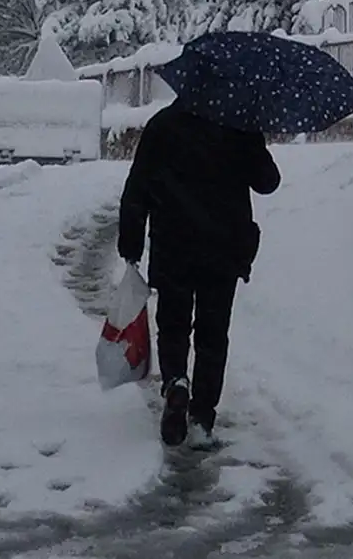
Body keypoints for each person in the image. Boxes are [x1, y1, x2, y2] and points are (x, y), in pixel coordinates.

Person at [117, 99, 281, 448]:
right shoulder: (238, 124)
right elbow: (268, 182)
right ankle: (203, 417)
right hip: (224, 247)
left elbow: (137, 189)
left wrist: (131, 245)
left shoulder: (162, 126)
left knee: (173, 325)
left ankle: (176, 381)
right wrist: (253, 139)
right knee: (213, 333)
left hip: (172, 244)